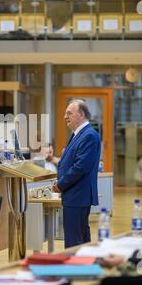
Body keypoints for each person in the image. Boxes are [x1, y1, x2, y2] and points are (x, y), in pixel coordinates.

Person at [52, 100, 101, 248]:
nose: (65, 116)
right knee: (80, 238)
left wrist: (61, 185)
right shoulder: (78, 134)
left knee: (74, 241)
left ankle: (75, 270)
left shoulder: (89, 135)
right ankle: (83, 268)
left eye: (69, 113)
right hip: (75, 195)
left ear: (81, 115)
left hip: (78, 195)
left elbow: (80, 167)